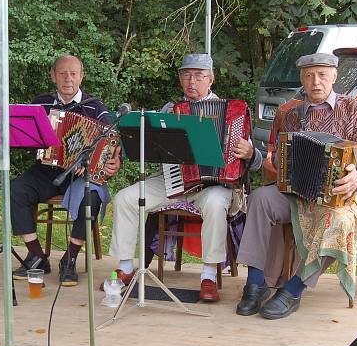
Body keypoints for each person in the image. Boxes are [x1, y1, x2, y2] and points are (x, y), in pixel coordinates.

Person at [108, 54, 262, 302]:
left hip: (214, 186)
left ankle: (209, 276)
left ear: (210, 79)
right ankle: (126, 268)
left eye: (198, 76)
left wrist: (251, 152)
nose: (191, 81)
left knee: (214, 203)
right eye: (186, 75)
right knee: (126, 197)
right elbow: (149, 149)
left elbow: (255, 162)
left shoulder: (233, 112)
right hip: (174, 180)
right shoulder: (171, 111)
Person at [235, 52, 357, 319]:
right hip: (298, 193)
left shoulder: (353, 110)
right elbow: (278, 157)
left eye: (322, 75)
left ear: (334, 76)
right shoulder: (292, 114)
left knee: (340, 223)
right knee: (259, 199)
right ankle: (255, 283)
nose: (316, 82)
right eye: (309, 75)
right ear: (302, 78)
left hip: (341, 197)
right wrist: (282, 159)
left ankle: (293, 289)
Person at [11, 54, 121, 287]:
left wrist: (108, 163)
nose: (68, 79)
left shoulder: (95, 107)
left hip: (80, 175)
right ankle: (36, 255)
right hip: (46, 170)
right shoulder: (40, 104)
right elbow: (22, 137)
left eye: (73, 73)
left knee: (91, 197)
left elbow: (111, 145)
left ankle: (70, 258)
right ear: (53, 76)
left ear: (81, 76)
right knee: (16, 189)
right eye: (62, 73)